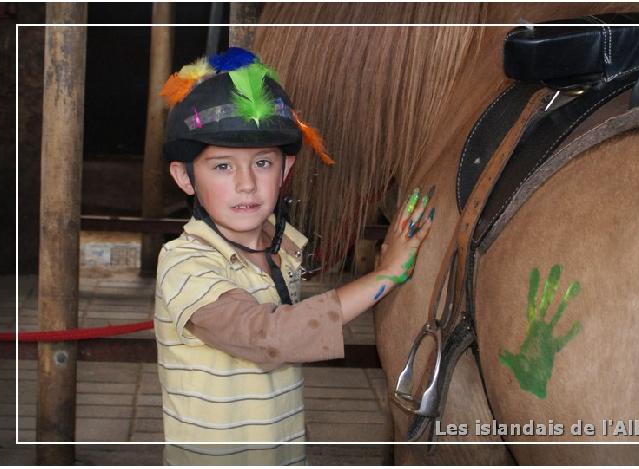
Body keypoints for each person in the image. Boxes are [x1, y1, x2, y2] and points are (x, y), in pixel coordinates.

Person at [154, 47, 435, 465]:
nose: (247, 184)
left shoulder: (279, 246)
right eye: (223, 167)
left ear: (285, 172)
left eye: (262, 162)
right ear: (184, 176)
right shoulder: (184, 263)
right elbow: (267, 337)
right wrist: (385, 275)